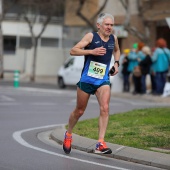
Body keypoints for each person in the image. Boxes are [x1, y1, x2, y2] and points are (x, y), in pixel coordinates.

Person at [63, 13, 120, 154]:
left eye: (111, 25)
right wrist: (91, 51)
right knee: (80, 111)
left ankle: (100, 143)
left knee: (105, 108)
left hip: (103, 79)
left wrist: (117, 64)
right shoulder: (91, 37)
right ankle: (68, 134)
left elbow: (117, 51)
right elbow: (73, 50)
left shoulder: (114, 39)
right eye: (107, 24)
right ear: (99, 25)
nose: (109, 27)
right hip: (87, 79)